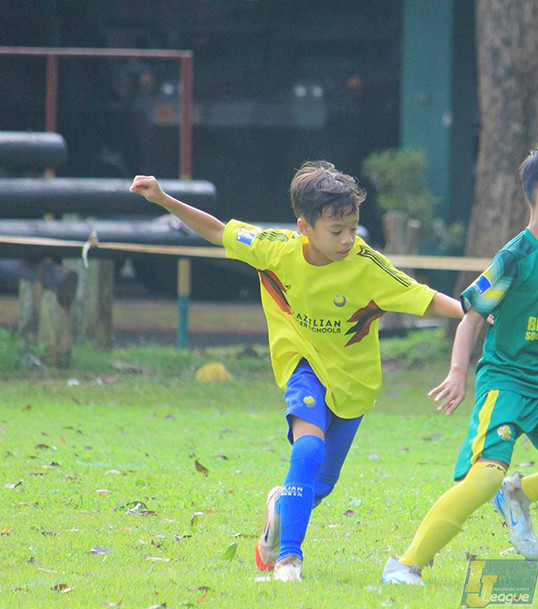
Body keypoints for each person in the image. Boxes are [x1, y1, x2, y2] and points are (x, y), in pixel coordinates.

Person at [130, 162, 464, 583]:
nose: (348, 240)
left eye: (353, 228)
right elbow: (217, 231)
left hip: (354, 382)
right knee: (307, 451)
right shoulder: (276, 249)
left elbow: (426, 299)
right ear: (305, 228)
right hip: (302, 366)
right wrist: (162, 199)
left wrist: (471, 311)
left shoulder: (367, 265)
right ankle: (289, 558)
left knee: (318, 485)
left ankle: (278, 507)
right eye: (337, 230)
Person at [381, 139, 538, 585]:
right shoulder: (513, 257)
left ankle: (517, 493)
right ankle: (405, 565)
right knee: (481, 479)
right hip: (506, 384)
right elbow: (471, 315)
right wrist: (459, 372)